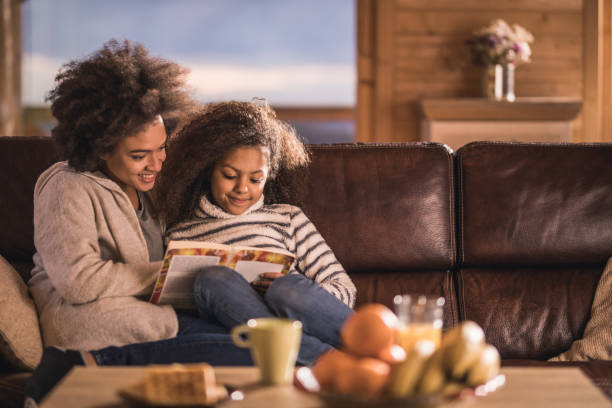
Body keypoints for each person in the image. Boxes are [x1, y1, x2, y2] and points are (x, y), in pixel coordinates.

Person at [24, 40, 252, 406]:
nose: (157, 164)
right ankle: (72, 367)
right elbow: (79, 282)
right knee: (250, 352)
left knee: (258, 342)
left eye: (162, 147)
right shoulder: (67, 187)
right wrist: (169, 272)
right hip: (95, 324)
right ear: (100, 147)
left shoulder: (151, 189)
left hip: (153, 317)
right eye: (139, 155)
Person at [155, 100, 357, 364]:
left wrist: (282, 294)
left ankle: (353, 349)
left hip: (309, 322)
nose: (242, 188)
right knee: (213, 280)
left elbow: (345, 290)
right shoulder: (179, 232)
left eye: (255, 179)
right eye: (230, 175)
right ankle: (328, 360)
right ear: (207, 171)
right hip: (237, 331)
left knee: (285, 289)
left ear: (268, 176)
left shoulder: (287, 218)